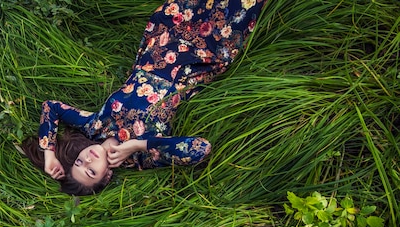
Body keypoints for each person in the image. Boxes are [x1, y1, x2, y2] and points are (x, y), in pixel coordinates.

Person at [21, 0, 267, 195]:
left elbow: (51, 107)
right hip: (199, 60)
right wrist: (139, 144)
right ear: (106, 176)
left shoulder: (95, 126)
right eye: (91, 171)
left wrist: (49, 153)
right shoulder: (141, 158)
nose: (86, 160)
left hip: (164, 38)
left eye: (78, 163)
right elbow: (201, 149)